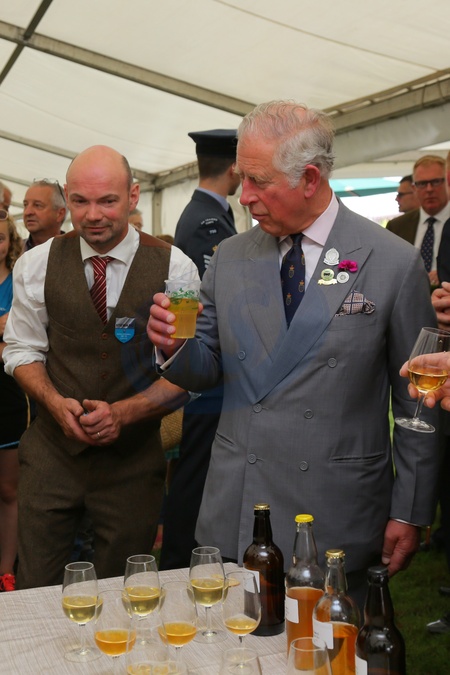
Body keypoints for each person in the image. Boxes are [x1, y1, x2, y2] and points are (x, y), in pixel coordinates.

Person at [148, 100, 439, 610]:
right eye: (242, 178)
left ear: (309, 178)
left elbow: (418, 399)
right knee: (238, 639)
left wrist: (410, 510)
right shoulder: (230, 257)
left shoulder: (391, 261)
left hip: (335, 504)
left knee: (328, 644)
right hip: (242, 504)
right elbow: (207, 367)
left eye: (258, 181)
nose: (244, 196)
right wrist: (176, 348)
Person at [3, 145, 196, 589]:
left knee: (125, 592)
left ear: (133, 196)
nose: (93, 215)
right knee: (36, 587)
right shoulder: (35, 264)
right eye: (80, 201)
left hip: (133, 463)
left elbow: (188, 371)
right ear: (66, 197)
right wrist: (54, 403)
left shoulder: (178, 269)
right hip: (51, 455)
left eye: (107, 201)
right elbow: (20, 349)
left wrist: (124, 414)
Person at [160, 129, 239, 570]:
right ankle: (179, 561)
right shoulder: (208, 221)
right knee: (195, 473)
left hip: (205, 361)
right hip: (208, 367)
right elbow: (216, 299)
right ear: (235, 168)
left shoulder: (205, 213)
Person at [0, 212, 29, 592]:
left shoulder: (19, 280)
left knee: (9, 490)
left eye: (0, 238)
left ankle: (6, 572)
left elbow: (23, 340)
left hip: (8, 396)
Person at [386, 155, 450, 286]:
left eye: (436, 182)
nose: (429, 189)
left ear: (447, 181)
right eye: (422, 184)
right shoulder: (397, 227)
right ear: (414, 188)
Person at [22, 178, 67, 251]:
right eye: (25, 205)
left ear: (60, 214)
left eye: (37, 205)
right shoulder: (12, 251)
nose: (27, 212)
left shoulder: (77, 252)